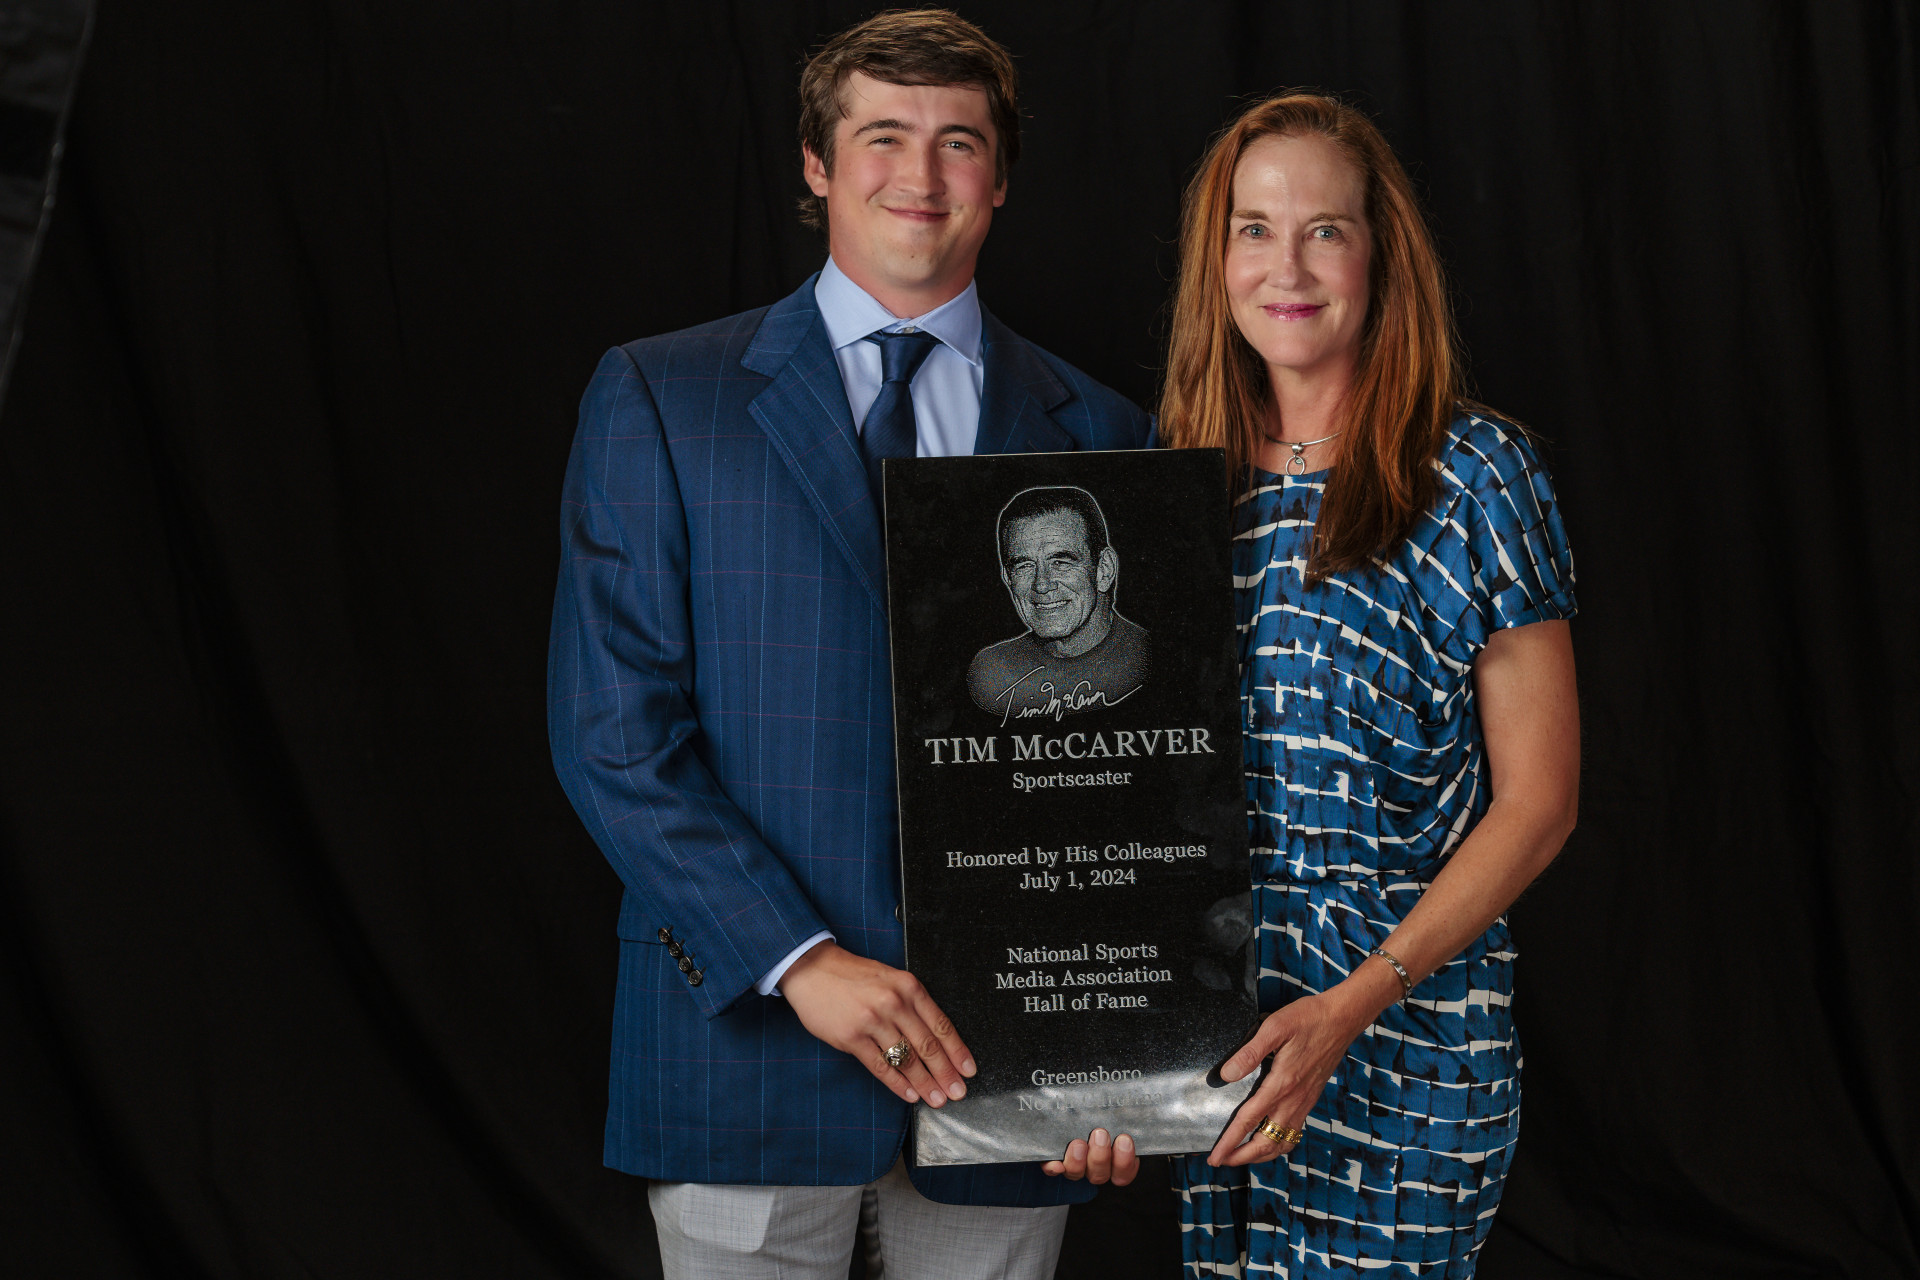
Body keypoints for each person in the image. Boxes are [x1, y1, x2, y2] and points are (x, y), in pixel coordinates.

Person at [546, 11, 1148, 1279]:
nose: (920, 178)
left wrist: (1126, 1053)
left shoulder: (1103, 432)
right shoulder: (664, 396)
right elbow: (614, 734)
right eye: (883, 137)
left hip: (1014, 1075)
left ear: (1001, 176)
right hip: (748, 1044)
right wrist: (803, 961)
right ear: (817, 166)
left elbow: (1134, 775)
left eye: (959, 143)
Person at [1155, 92, 1580, 1276]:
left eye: (1325, 230)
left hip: (1405, 1031)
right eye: (1253, 229)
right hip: (1223, 1039)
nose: (1286, 266)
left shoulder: (1479, 476)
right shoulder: (1172, 490)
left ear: (1379, 253)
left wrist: (1353, 1001)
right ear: (1216, 257)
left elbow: (1540, 800)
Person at [966, 486, 1151, 723]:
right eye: (1024, 566)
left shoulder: (1150, 660)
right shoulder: (991, 675)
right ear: (1007, 578)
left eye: (1061, 562)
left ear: (1104, 570)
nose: (1042, 584)